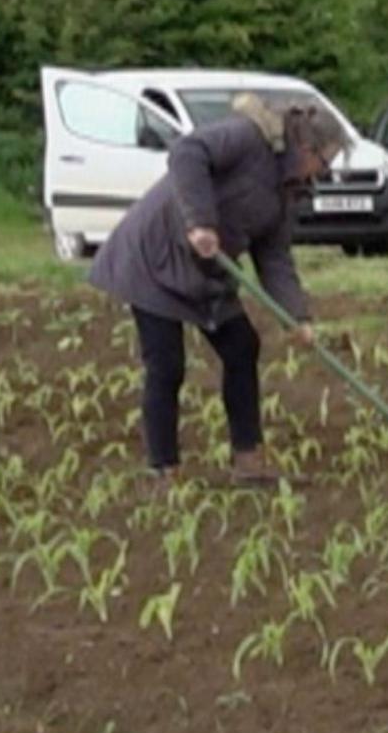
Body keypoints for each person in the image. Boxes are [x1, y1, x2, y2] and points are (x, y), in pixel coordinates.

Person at [86, 101, 327, 485]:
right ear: (305, 147)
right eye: (324, 159)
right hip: (156, 257)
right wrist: (200, 221)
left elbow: (275, 256)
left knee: (242, 346)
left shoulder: (286, 190)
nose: (323, 171)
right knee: (166, 364)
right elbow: (187, 152)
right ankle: (164, 470)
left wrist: (296, 316)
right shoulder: (246, 138)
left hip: (207, 270)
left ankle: (248, 463)